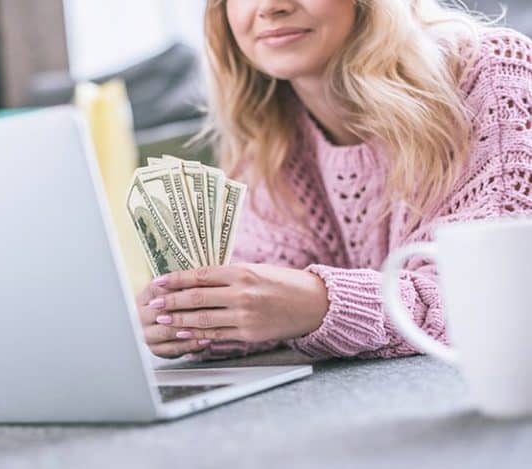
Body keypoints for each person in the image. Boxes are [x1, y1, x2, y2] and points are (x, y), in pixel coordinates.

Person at [137, 0, 532, 360]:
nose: (270, 7)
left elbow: (498, 302)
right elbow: (273, 300)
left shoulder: (491, 72)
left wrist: (321, 303)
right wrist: (205, 320)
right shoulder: (267, 134)